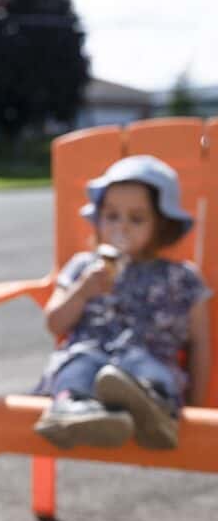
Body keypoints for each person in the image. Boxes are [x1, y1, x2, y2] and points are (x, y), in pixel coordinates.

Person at [33, 155, 211, 450]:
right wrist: (82, 292)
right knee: (77, 364)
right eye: (112, 216)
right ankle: (73, 410)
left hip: (149, 358)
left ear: (162, 225)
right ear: (98, 218)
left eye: (136, 219)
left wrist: (197, 403)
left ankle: (151, 407)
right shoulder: (84, 268)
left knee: (146, 368)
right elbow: (54, 323)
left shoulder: (182, 277)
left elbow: (200, 343)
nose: (122, 227)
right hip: (90, 352)